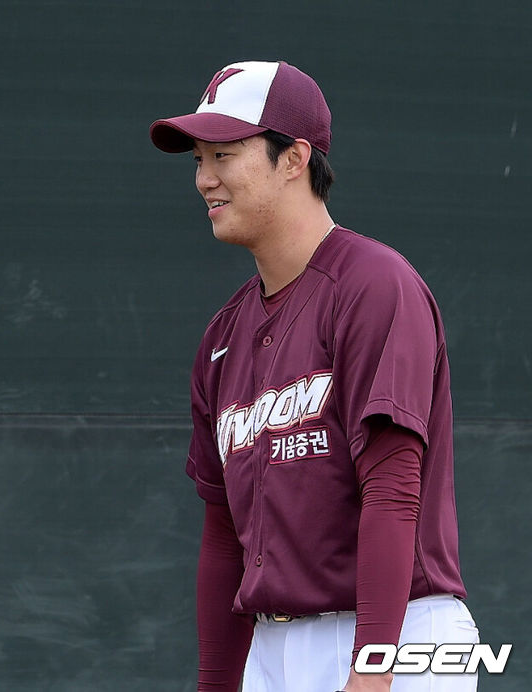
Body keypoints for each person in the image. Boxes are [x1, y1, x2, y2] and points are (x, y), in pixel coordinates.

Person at [149, 61, 477, 691]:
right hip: (271, 649)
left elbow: (392, 486)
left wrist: (371, 674)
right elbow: (224, 535)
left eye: (223, 153)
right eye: (197, 159)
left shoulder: (374, 286)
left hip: (399, 633)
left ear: (295, 158)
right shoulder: (223, 337)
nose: (203, 179)